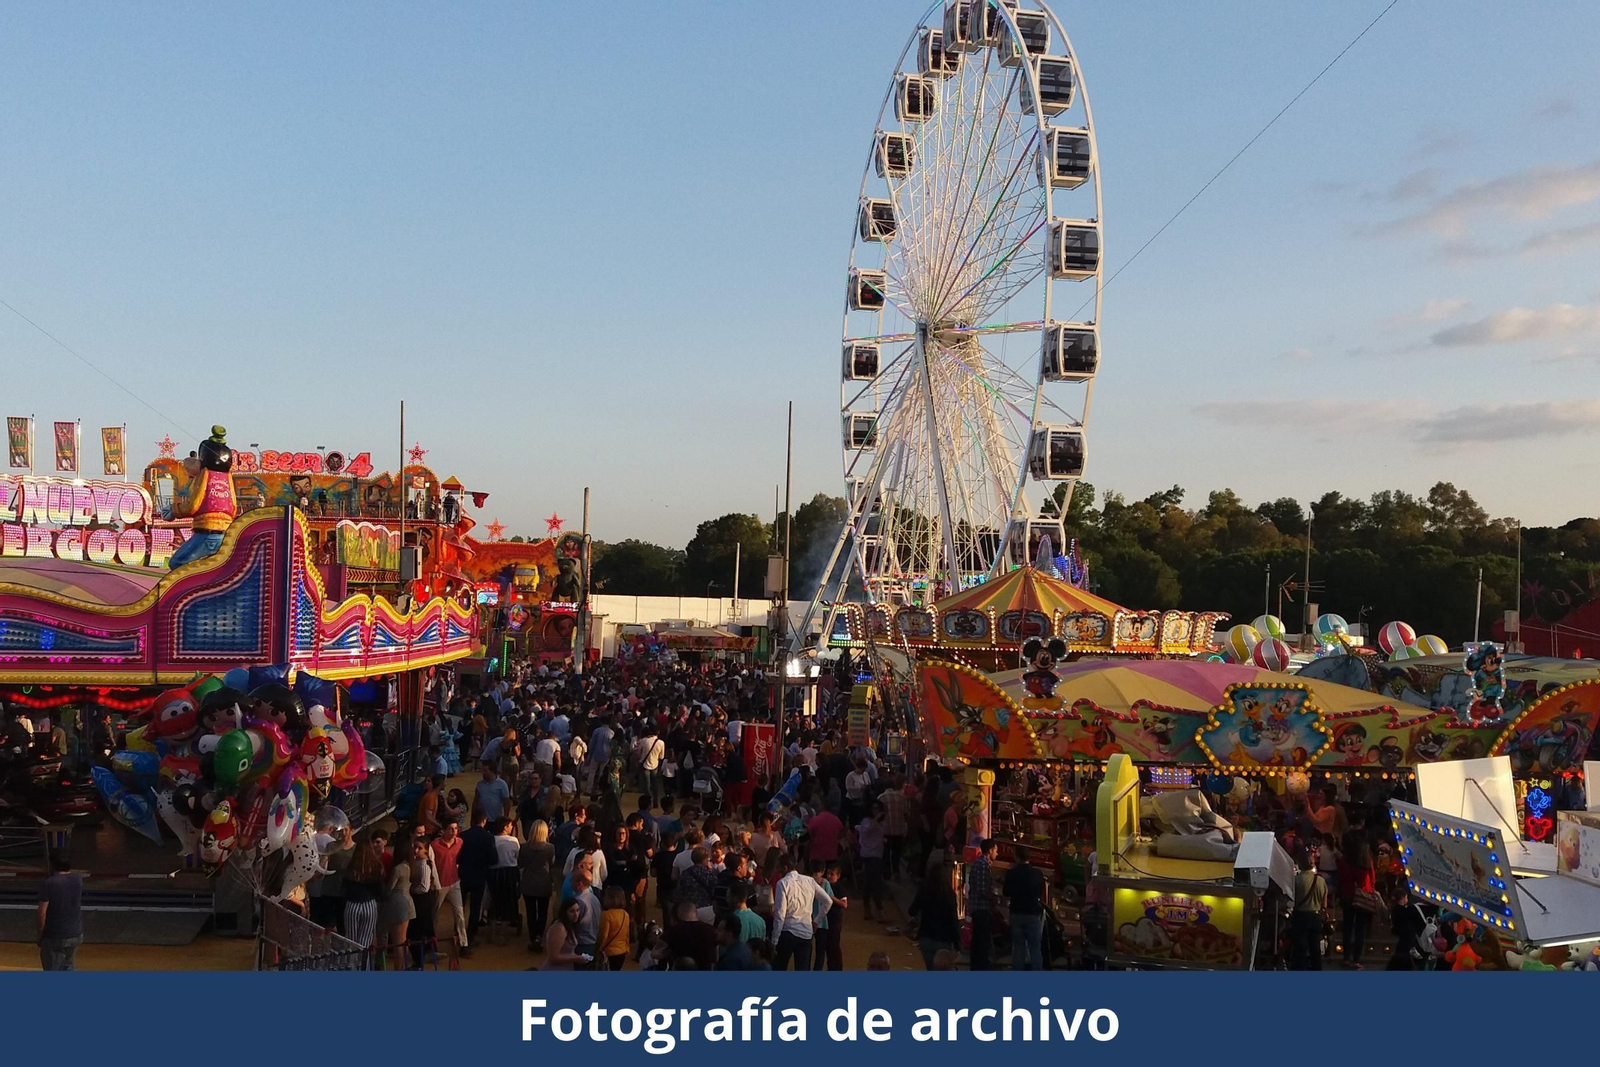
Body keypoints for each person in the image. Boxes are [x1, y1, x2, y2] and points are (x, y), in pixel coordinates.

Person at [770, 856, 824, 970]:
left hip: (788, 932)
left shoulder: (782, 883)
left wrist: (774, 940)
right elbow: (828, 901)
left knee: (779, 968)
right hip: (806, 933)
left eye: (779, 867)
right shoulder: (809, 881)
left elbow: (780, 915)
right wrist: (816, 921)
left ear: (785, 868)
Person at [908, 862, 960, 970]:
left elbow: (912, 911)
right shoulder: (949, 894)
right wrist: (957, 943)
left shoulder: (924, 890)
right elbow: (953, 920)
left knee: (929, 968)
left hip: (926, 936)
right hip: (944, 939)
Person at [36, 853, 83, 971]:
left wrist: (40, 934)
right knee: (68, 966)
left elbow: (42, 912)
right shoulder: (78, 879)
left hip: (55, 934)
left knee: (53, 968)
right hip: (75, 932)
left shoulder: (49, 883)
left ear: (52, 865)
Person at [1339, 828, 1377, 969]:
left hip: (1348, 895)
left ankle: (1346, 958)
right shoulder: (1366, 860)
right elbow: (1372, 879)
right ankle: (1357, 959)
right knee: (1360, 928)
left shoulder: (1344, 860)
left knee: (1348, 927)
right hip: (1363, 896)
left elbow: (1341, 878)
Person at [1003, 850, 1047, 970]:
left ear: (1017, 857)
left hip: (1016, 912)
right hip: (1032, 913)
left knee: (1018, 947)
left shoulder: (1011, 873)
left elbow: (1006, 892)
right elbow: (1040, 891)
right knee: (1035, 947)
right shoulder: (1037, 873)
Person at [431, 818, 467, 965]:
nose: (454, 832)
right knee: (434, 915)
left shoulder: (460, 842)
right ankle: (431, 943)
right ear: (444, 830)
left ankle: (464, 943)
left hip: (454, 882)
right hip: (440, 885)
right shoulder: (434, 845)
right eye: (451, 829)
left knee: (460, 913)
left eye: (456, 829)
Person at [342, 831, 386, 949]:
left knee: (351, 940)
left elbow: (344, 888)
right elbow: (380, 889)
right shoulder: (377, 866)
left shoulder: (350, 866)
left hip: (352, 904)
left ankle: (352, 961)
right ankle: (364, 961)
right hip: (369, 904)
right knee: (366, 941)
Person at [1289, 842, 1328, 971]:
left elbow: (1291, 899)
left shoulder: (1296, 880)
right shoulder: (1321, 881)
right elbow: (1324, 904)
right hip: (1316, 917)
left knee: (1299, 949)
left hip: (1300, 916)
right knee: (1315, 948)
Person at [520, 819, 556, 951]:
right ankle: (538, 937)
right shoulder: (550, 848)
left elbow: (520, 864)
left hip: (528, 882)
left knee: (530, 912)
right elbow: (552, 864)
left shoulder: (524, 847)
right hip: (543, 882)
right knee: (542, 912)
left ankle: (532, 937)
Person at [381, 840, 415, 970]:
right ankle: (401, 968)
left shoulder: (398, 869)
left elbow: (390, 889)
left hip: (397, 904)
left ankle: (398, 970)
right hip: (407, 902)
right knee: (402, 940)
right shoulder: (411, 866)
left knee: (398, 942)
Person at [407, 836, 438, 969]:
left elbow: (424, 887)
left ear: (426, 850)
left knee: (417, 932)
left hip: (421, 902)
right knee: (415, 932)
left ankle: (418, 962)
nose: (416, 850)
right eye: (415, 847)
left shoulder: (424, 865)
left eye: (420, 848)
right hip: (420, 901)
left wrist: (410, 890)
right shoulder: (417, 862)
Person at [856, 801, 888, 921]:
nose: (876, 811)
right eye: (874, 808)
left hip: (877, 853)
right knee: (873, 881)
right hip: (869, 854)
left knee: (870, 881)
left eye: (878, 809)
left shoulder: (881, 822)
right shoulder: (867, 821)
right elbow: (867, 830)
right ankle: (877, 909)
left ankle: (869, 908)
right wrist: (876, 818)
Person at [665, 900, 719, 970]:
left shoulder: (674, 930)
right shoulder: (711, 930)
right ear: (696, 912)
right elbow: (716, 956)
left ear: (679, 914)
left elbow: (656, 953)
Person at [542, 897, 590, 971]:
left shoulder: (569, 925)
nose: (576, 914)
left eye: (577, 910)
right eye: (571, 911)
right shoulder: (560, 928)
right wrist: (576, 958)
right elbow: (553, 957)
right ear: (565, 912)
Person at [599, 886, 632, 971]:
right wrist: (627, 948)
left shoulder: (606, 915)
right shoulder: (625, 914)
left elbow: (604, 936)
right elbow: (627, 934)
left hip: (609, 951)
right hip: (622, 951)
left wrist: (598, 949)